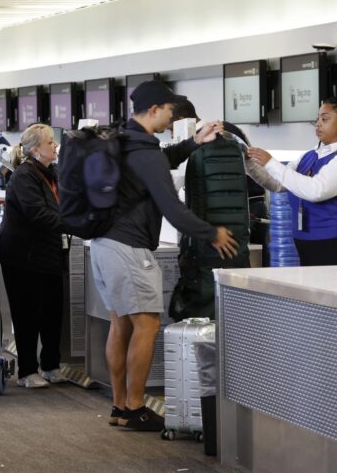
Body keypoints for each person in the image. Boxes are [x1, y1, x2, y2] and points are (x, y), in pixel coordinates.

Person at [89, 81, 238, 431]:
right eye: (170, 111)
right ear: (155, 109)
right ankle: (136, 407)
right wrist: (211, 232)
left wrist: (191, 143)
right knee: (148, 325)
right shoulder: (145, 151)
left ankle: (119, 406)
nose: (173, 119)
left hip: (103, 244)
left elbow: (155, 165)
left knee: (121, 323)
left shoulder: (124, 140)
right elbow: (171, 208)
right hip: (128, 248)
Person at [245, 85, 337, 266]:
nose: (318, 124)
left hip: (336, 245)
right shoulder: (310, 155)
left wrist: (271, 162)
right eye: (318, 118)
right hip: (307, 243)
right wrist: (248, 163)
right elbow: (278, 183)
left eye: (325, 119)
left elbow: (315, 190)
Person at [0, 123, 67, 388]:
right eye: (50, 143)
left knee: (52, 312)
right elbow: (38, 214)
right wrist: (73, 223)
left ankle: (50, 365)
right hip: (23, 256)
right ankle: (27, 371)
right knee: (27, 315)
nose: (55, 146)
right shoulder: (25, 175)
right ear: (36, 149)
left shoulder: (52, 173)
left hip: (48, 253)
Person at [171, 98, 268, 244]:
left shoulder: (198, 139)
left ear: (180, 120)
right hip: (252, 206)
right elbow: (253, 164)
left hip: (233, 214)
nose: (172, 135)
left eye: (170, 129)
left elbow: (181, 182)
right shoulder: (230, 129)